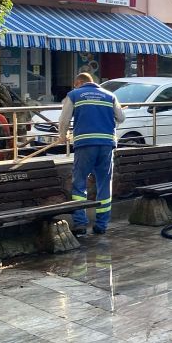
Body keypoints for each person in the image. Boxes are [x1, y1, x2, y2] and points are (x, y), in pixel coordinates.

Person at [59, 73, 125, 236]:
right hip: (106, 144)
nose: (75, 87)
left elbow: (64, 119)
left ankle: (81, 224)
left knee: (79, 183)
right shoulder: (110, 96)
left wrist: (62, 136)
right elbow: (121, 118)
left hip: (85, 144)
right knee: (104, 183)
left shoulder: (74, 95)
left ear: (79, 82)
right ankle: (101, 225)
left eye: (75, 84)